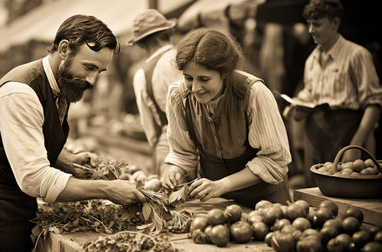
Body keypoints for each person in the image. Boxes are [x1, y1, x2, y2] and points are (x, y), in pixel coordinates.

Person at [0, 15, 145, 252]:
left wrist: (66, 160)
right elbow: (34, 178)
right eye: (89, 67)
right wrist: (107, 189)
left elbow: (22, 142)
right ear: (64, 49)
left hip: (11, 201)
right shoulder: (20, 94)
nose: (92, 80)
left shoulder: (61, 83)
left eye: (100, 72)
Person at [161, 28, 292, 208]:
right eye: (188, 78)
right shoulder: (179, 96)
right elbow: (182, 152)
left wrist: (222, 185)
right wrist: (174, 170)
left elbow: (274, 161)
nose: (196, 88)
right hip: (217, 202)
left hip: (264, 202)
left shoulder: (252, 93)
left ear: (225, 73)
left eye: (204, 79)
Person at [285, 0, 382, 187]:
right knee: (313, 190)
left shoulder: (357, 55)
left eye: (317, 24)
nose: (311, 30)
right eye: (309, 24)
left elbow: (374, 103)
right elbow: (310, 94)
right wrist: (298, 107)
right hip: (315, 135)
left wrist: (356, 144)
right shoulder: (311, 60)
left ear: (335, 23)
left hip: (345, 134)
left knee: (346, 192)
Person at [128, 9, 183, 176]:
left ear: (141, 44)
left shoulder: (141, 75)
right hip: (206, 145)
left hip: (169, 147)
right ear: (168, 32)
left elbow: (150, 130)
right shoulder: (187, 57)